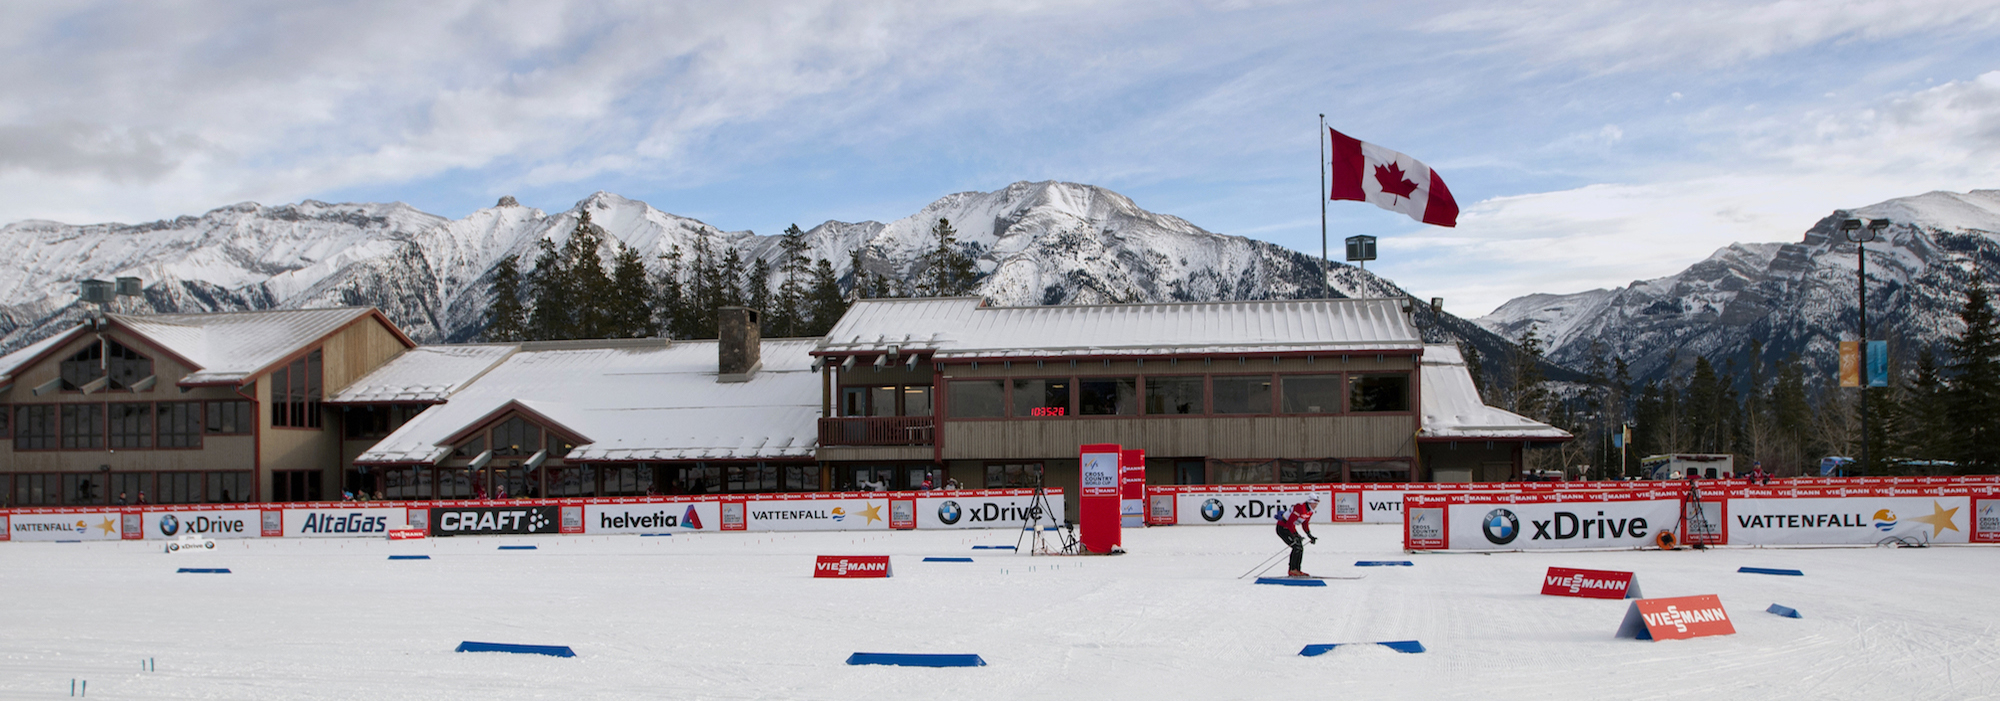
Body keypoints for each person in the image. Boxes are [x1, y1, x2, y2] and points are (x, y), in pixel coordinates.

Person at [1274, 494, 1320, 577]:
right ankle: (1292, 570)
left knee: (1300, 547)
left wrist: (1309, 535)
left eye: (1317, 504)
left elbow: (1305, 523)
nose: (1316, 505)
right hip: (1282, 528)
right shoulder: (1300, 507)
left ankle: (1297, 570)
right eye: (1315, 503)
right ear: (1310, 502)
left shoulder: (1310, 511)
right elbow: (1290, 523)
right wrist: (1295, 534)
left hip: (1289, 529)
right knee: (1296, 547)